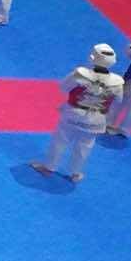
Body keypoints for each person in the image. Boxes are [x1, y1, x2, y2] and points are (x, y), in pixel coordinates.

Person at [30, 44, 123, 183]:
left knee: (60, 140)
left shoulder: (80, 75)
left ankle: (49, 167)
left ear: (92, 57)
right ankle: (75, 173)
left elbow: (63, 87)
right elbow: (119, 101)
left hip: (73, 113)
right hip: (97, 118)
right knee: (85, 145)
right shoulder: (117, 82)